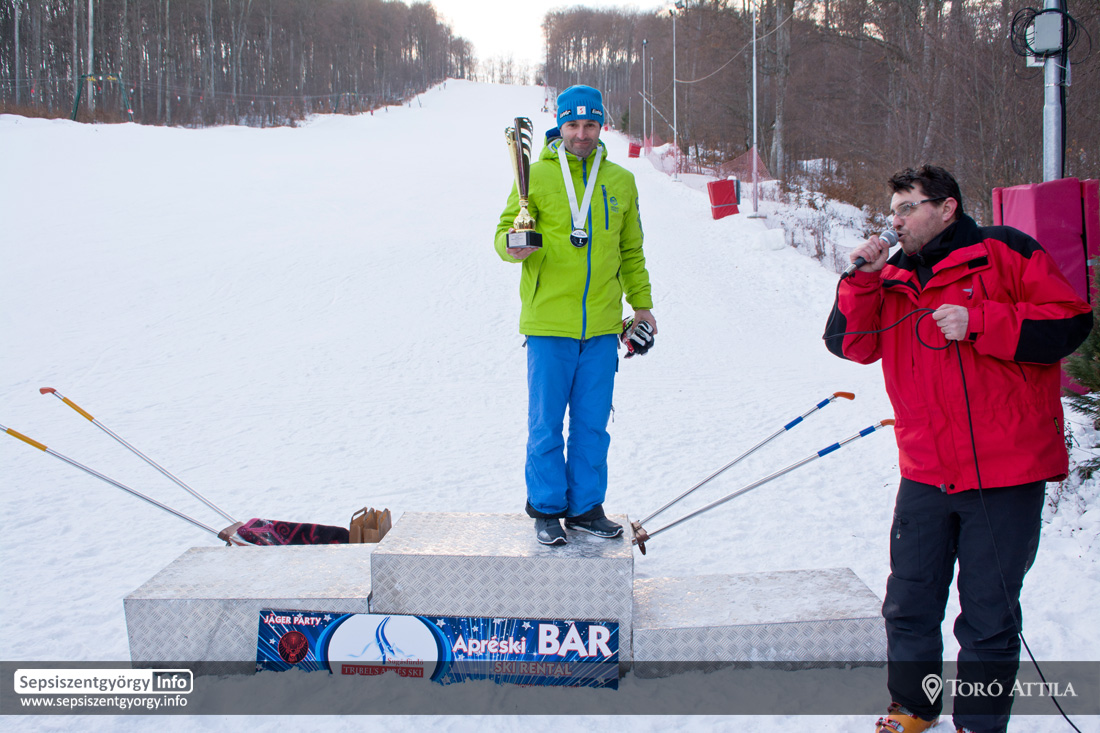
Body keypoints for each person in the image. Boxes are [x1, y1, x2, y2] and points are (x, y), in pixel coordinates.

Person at [823, 165, 1092, 733]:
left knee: (989, 615)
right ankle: (913, 707)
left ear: (946, 208)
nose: (895, 221)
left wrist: (980, 321)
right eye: (892, 210)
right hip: (925, 469)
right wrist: (862, 279)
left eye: (907, 207)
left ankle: (979, 722)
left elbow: (1069, 323)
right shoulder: (892, 275)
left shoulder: (1006, 251)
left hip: (1005, 472)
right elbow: (848, 345)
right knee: (909, 602)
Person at [495, 85, 656, 546]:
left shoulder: (620, 181)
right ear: (560, 125)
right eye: (572, 124)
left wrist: (642, 306)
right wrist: (512, 246)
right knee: (545, 425)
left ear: (601, 125)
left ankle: (585, 508)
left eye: (590, 124)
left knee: (591, 425)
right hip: (548, 325)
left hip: (602, 328)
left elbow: (631, 251)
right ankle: (547, 509)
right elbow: (504, 232)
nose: (581, 134)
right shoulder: (536, 176)